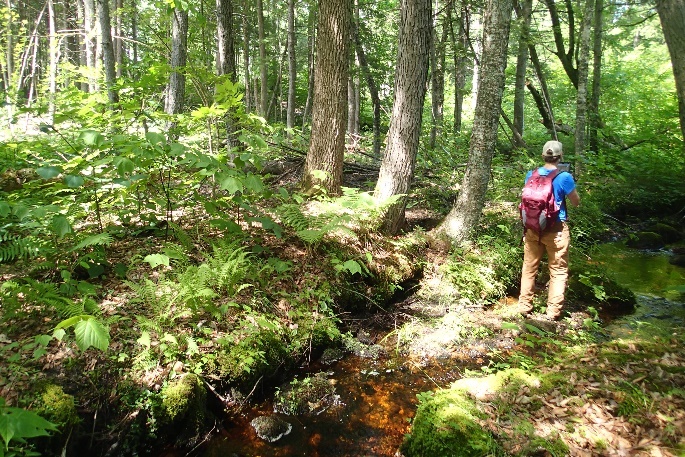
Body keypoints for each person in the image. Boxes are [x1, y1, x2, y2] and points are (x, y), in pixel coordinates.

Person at [517, 140, 580, 320]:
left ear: (543, 156)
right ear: (560, 157)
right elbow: (576, 202)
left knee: (529, 267)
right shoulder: (564, 177)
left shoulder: (531, 174)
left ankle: (524, 306)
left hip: (532, 229)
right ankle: (552, 312)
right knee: (558, 271)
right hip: (556, 231)